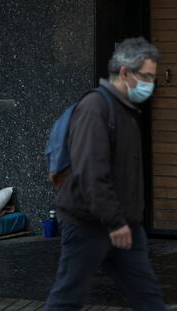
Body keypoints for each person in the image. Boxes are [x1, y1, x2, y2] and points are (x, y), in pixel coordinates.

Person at [44, 37, 166, 310]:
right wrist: (115, 222)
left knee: (148, 297)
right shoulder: (95, 109)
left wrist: (125, 222)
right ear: (125, 73)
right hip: (88, 224)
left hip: (123, 226)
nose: (150, 85)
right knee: (67, 298)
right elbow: (91, 173)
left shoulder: (125, 111)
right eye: (146, 76)